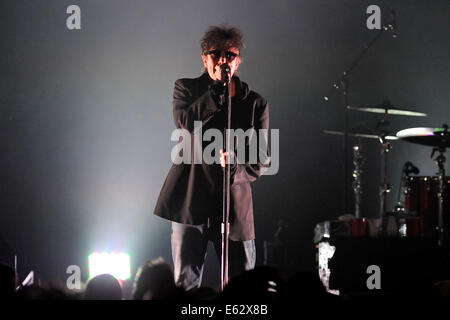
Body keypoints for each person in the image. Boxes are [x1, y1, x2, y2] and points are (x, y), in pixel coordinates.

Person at [154, 25, 270, 290]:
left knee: (243, 288)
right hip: (191, 200)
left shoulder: (254, 103)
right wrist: (214, 92)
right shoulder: (186, 88)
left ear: (238, 60)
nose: (223, 60)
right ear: (204, 58)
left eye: (230, 55)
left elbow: (262, 159)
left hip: (234, 205)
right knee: (185, 284)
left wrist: (236, 169)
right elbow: (184, 122)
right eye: (215, 54)